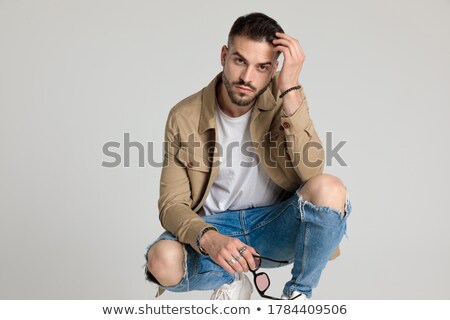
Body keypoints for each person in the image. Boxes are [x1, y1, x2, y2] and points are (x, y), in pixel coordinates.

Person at [145, 12, 351, 300]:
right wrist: (210, 238)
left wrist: (290, 87)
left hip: (274, 226)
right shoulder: (184, 115)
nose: (247, 77)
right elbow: (171, 205)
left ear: (274, 69)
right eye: (240, 60)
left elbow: (313, 174)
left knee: (331, 188)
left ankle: (299, 297)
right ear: (224, 55)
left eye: (262, 67)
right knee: (161, 260)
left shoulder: (285, 98)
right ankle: (231, 279)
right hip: (217, 227)